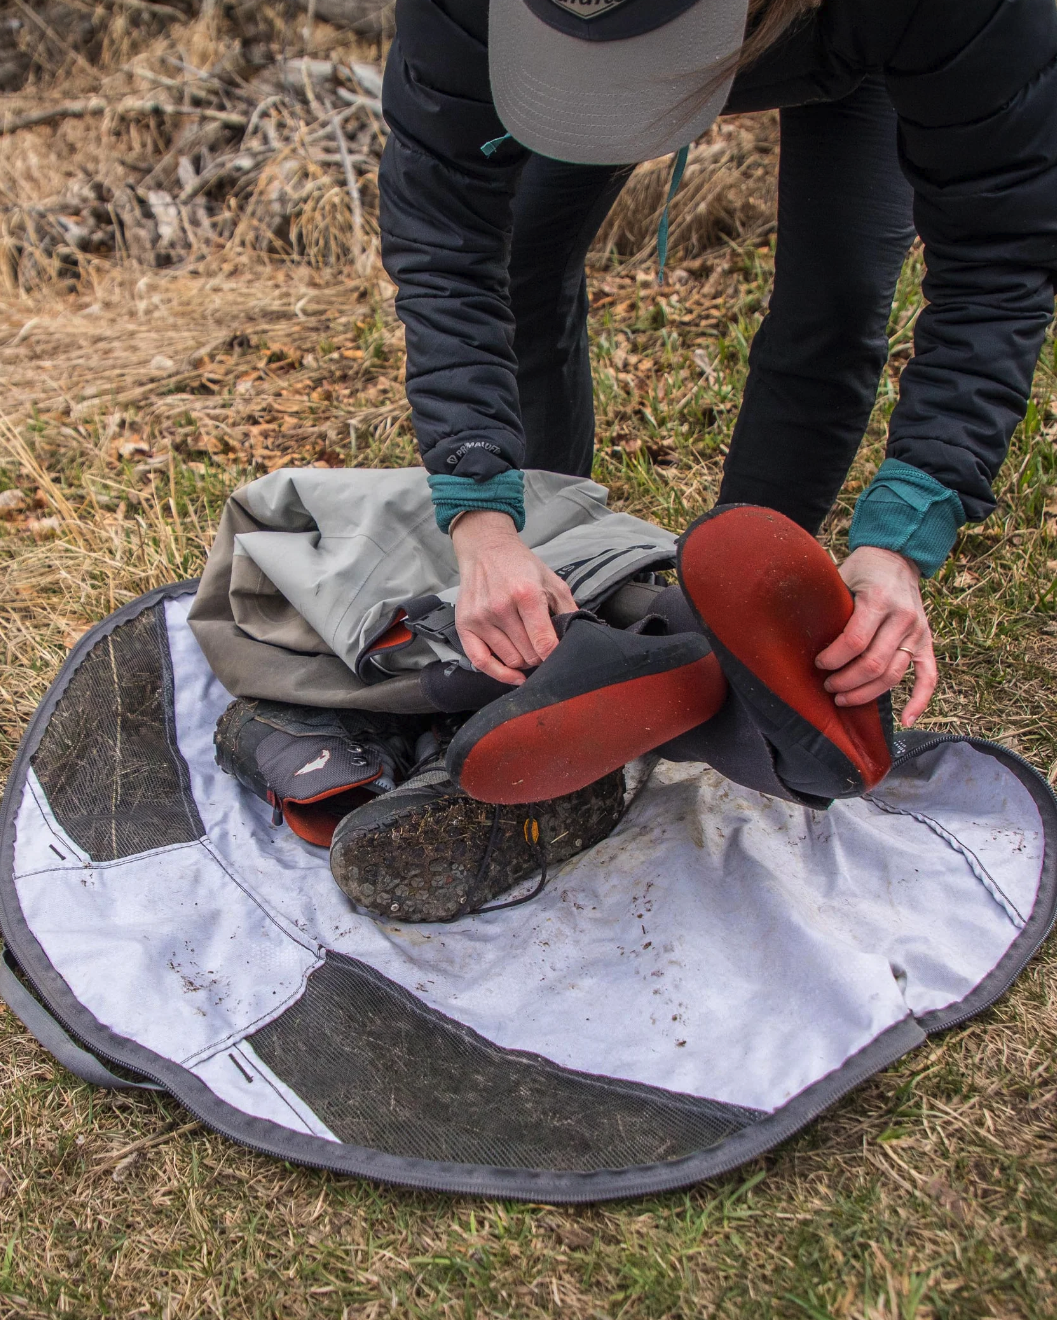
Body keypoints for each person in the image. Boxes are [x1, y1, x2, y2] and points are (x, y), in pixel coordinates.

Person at [377, 0, 1057, 728]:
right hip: (562, 48)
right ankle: (557, 571)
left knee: (837, 297)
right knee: (521, 263)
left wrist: (901, 538)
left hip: (853, 42)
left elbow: (997, 257)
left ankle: (734, 610)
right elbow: (446, 233)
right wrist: (481, 518)